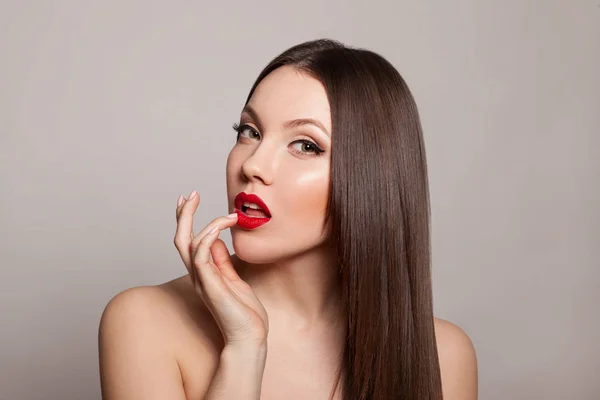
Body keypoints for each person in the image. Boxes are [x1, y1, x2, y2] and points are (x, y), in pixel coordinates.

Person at [98, 38, 478, 400]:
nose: (252, 165)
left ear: (371, 177)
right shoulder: (145, 323)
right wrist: (245, 348)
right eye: (250, 132)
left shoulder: (445, 355)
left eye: (306, 145)